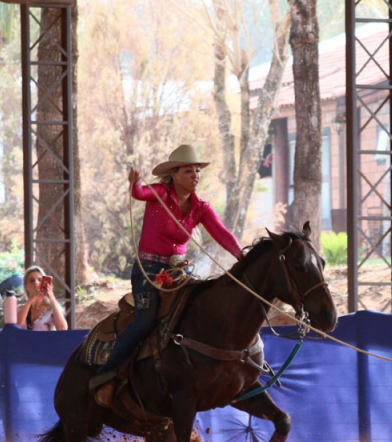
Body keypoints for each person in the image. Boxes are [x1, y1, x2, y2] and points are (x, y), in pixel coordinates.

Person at [89, 144, 244, 407]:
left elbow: (222, 234)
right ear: (173, 174)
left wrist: (242, 257)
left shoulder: (201, 208)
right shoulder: (159, 193)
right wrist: (135, 183)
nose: (195, 175)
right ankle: (107, 376)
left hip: (179, 272)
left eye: (197, 171)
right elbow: (139, 193)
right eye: (188, 171)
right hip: (147, 270)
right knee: (145, 319)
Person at [17, 265, 68, 331]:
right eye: (32, 280)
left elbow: (62, 328)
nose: (36, 283)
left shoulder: (51, 308)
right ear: (25, 286)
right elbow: (16, 326)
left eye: (40, 280)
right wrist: (30, 301)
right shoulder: (20, 308)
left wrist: (52, 298)